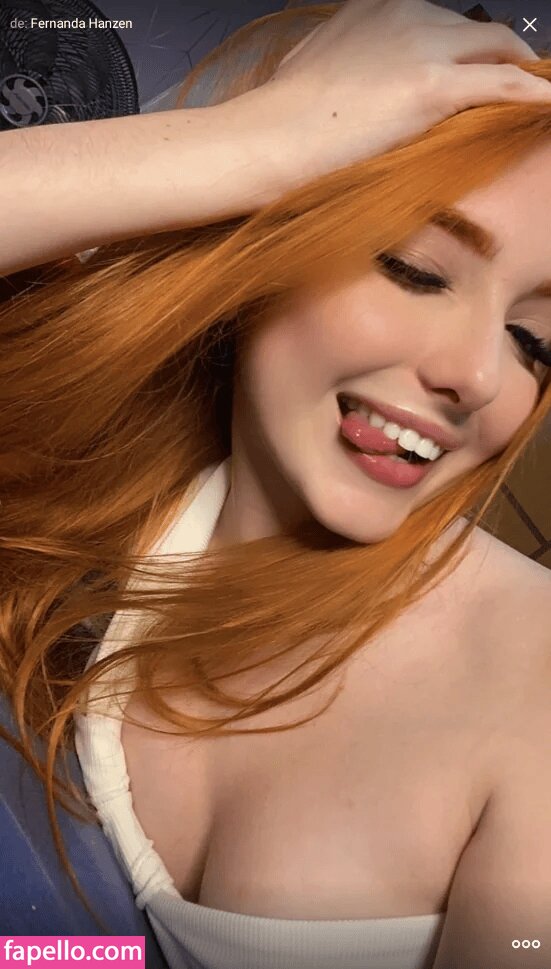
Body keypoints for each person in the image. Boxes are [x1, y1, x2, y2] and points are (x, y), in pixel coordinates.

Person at [1, 0, 551, 966]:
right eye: (415, 270)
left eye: (533, 343)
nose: (476, 374)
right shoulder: (109, 497)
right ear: (271, 232)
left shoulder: (530, 691)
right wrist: (249, 140)